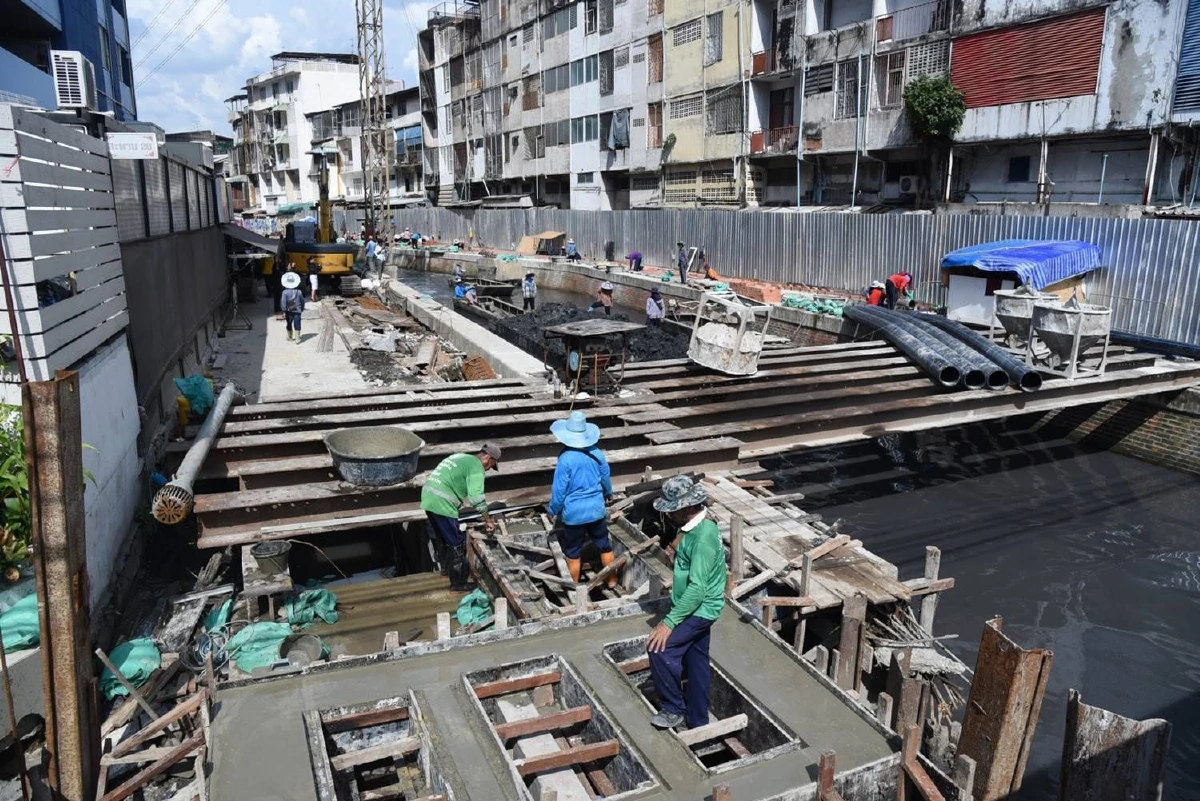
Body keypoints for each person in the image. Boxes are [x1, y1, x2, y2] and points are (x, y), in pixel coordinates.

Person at [646, 475, 726, 730]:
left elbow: (698, 589)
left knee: (659, 649)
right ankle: (699, 721)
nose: (669, 515)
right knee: (696, 662)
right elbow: (683, 539)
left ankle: (673, 709)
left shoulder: (703, 538)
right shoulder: (694, 526)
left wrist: (669, 622)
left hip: (700, 609)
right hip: (696, 606)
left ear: (689, 507)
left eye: (673, 510)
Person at [420, 445, 502, 591]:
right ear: (488, 458)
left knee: (442, 537)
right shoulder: (476, 467)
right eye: (491, 466)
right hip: (442, 502)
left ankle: (446, 570)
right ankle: (458, 584)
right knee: (456, 542)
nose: (488, 469)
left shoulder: (460, 457)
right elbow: (476, 497)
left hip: (428, 496)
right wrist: (487, 519)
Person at [547, 412, 615, 585]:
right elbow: (605, 476)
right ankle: (612, 580)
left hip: (574, 514)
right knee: (604, 545)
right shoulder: (597, 453)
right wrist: (608, 493)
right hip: (596, 509)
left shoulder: (565, 459)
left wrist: (552, 509)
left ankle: (574, 588)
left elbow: (559, 490)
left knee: (573, 551)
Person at [280, 271, 305, 343]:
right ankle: (297, 339)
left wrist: (284, 311)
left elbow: (283, 302)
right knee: (297, 323)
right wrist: (302, 308)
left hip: (289, 311)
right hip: (297, 310)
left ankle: (290, 336)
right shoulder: (299, 292)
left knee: (289, 323)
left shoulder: (284, 292)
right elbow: (302, 301)